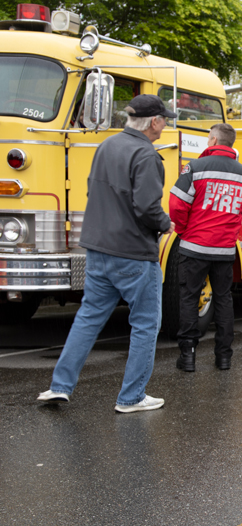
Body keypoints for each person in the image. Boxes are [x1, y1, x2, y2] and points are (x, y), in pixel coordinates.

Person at [37, 95, 175, 412]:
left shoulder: (107, 146)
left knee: (88, 319)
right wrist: (165, 223)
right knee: (145, 324)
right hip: (134, 253)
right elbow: (146, 207)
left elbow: (92, 191)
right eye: (164, 119)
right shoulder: (146, 155)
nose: (165, 124)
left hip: (98, 249)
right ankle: (131, 397)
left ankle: (59, 386)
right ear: (154, 122)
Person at [169, 123, 242, 372]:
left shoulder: (195, 168)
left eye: (208, 139)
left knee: (189, 298)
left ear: (214, 140)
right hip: (225, 250)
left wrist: (184, 230)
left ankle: (187, 356)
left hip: (194, 246)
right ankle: (224, 357)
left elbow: (176, 204)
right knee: (223, 300)